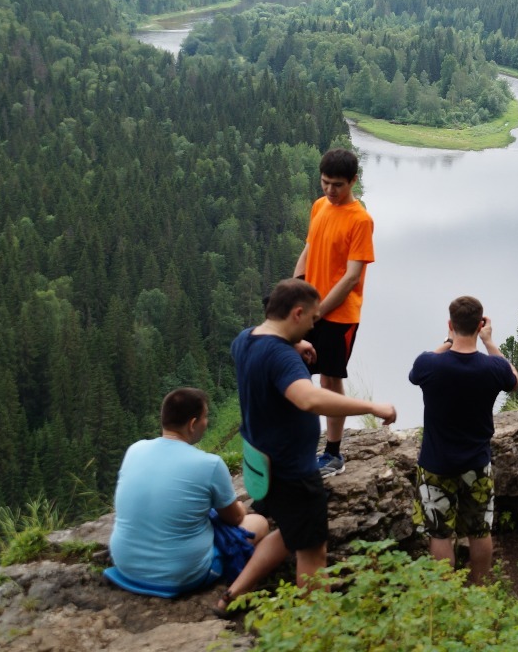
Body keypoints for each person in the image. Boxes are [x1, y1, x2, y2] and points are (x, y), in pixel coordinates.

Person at [218, 278, 397, 615]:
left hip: (261, 463)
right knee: (312, 552)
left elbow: (266, 352)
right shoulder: (280, 356)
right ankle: (316, 630)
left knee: (290, 532)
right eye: (313, 319)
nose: (316, 325)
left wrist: (293, 342)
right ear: (297, 313)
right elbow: (309, 398)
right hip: (293, 473)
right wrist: (372, 407)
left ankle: (232, 595)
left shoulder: (246, 340)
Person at [108, 388, 269, 595]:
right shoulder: (210, 464)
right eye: (205, 417)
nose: (206, 422)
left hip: (126, 566)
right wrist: (238, 506)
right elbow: (235, 518)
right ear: (192, 424)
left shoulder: (135, 450)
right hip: (182, 575)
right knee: (259, 523)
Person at [410, 295, 518, 584]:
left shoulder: (429, 365)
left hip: (435, 464)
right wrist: (489, 342)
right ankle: (479, 587)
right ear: (480, 324)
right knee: (480, 531)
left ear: (450, 324)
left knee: (440, 534)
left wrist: (447, 341)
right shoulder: (493, 368)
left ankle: (447, 595)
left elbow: (416, 373)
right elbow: (514, 379)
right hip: (477, 463)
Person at [293, 148, 376, 477]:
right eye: (325, 182)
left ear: (353, 181)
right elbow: (309, 248)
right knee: (298, 372)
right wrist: (295, 290)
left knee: (329, 379)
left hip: (339, 316)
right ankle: (299, 444)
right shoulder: (319, 206)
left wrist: (319, 311)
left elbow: (352, 276)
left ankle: (333, 453)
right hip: (310, 307)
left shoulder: (360, 220)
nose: (330, 190)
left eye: (337, 185)